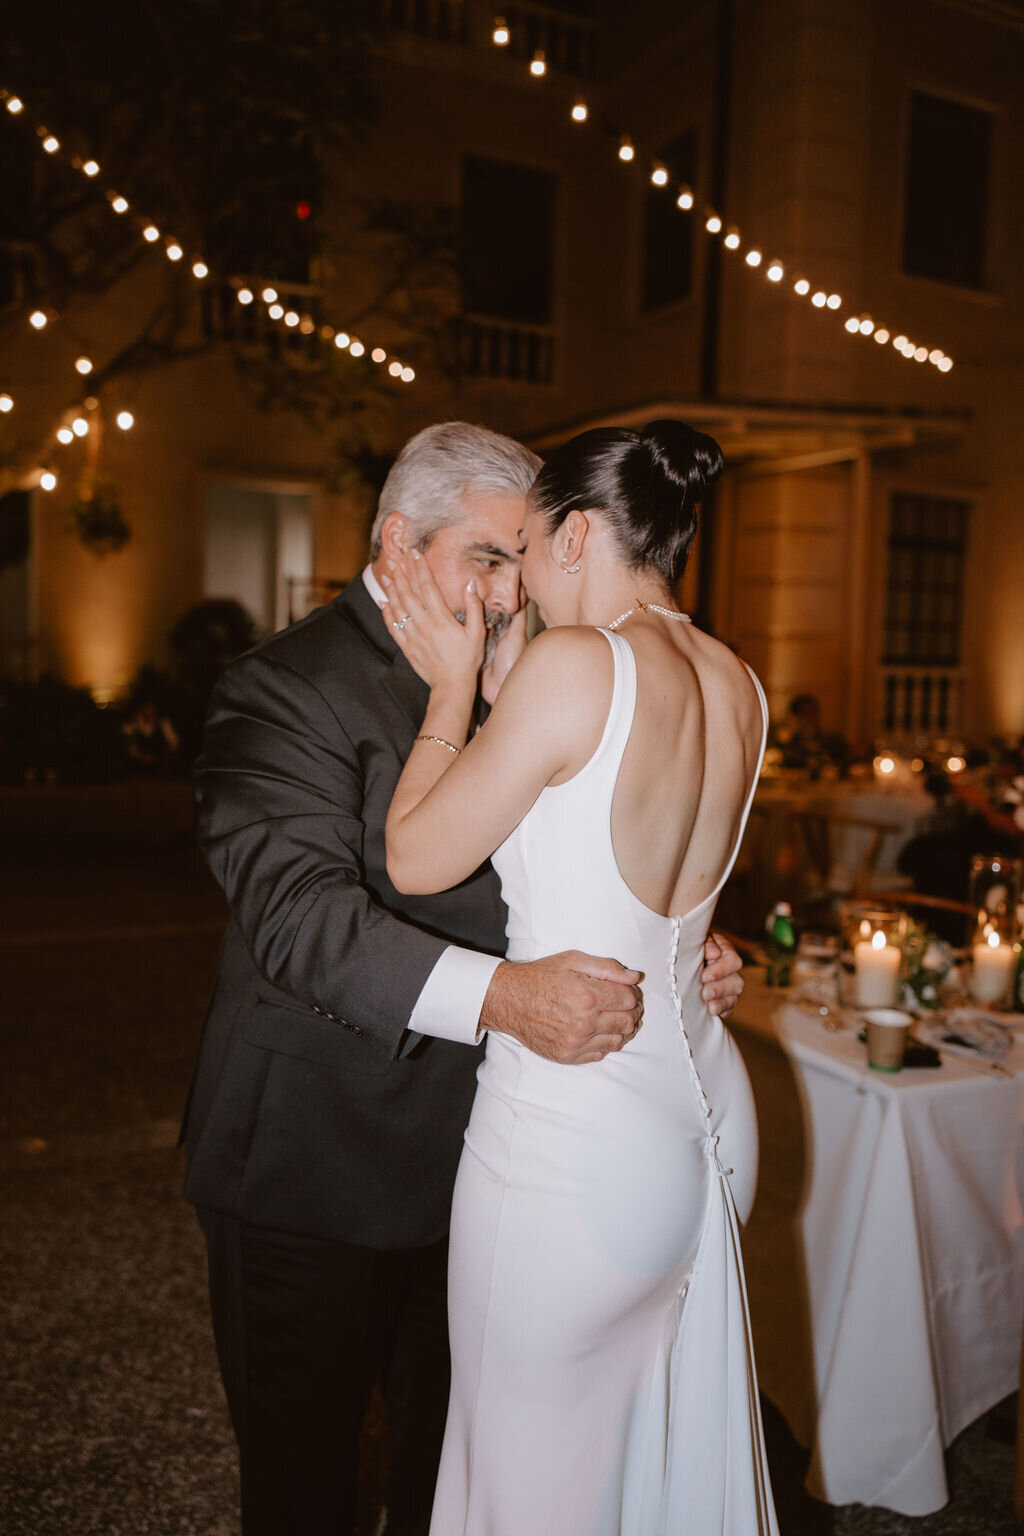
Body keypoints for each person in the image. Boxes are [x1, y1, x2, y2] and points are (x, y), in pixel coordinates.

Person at [180, 422, 746, 1536]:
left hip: (501, 1164)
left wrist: (676, 949)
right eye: (487, 560)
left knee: (456, 1473)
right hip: (314, 1160)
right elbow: (301, 919)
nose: (510, 590)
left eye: (519, 558)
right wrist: (502, 996)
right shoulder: (282, 687)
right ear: (398, 542)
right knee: (304, 1487)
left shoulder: (543, 665)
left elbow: (589, 863)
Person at [383, 419, 778, 1534]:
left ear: (578, 533)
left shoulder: (577, 664)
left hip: (575, 1145)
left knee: (521, 1488)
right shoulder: (735, 681)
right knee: (643, 1472)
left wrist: (453, 688)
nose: (518, 583)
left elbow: (416, 859)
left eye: (527, 547)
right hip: (701, 1121)